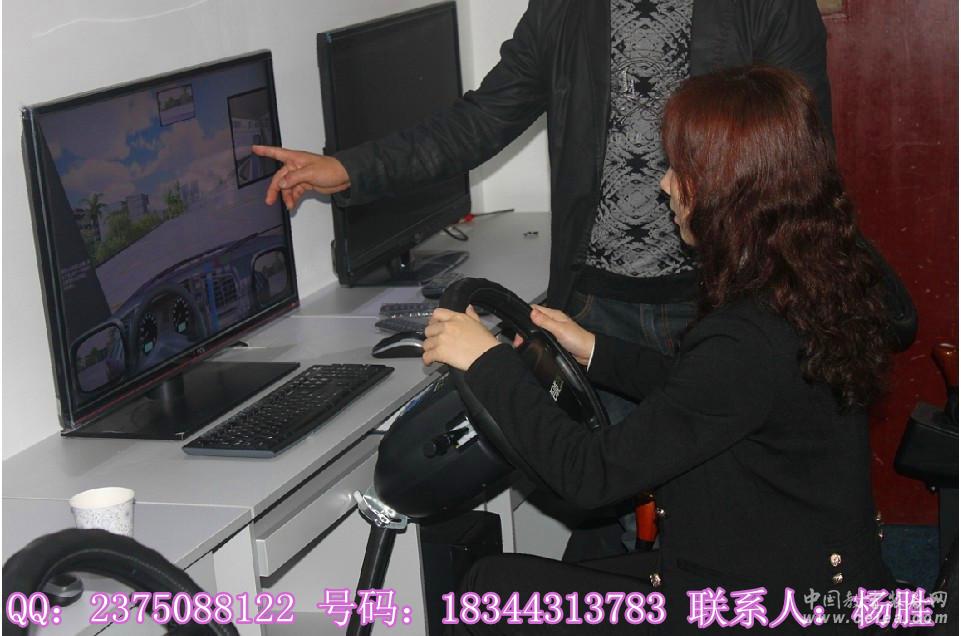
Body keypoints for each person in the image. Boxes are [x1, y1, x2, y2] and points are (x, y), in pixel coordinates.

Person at [255, 1, 845, 557]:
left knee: (714, 508)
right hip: (596, 303)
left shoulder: (767, 6)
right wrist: (351, 169)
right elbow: (484, 117)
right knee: (615, 505)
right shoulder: (566, 9)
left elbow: (794, 153)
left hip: (718, 300)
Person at [420, 66, 897, 634]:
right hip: (808, 579)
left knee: (490, 591)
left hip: (766, 606)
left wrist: (486, 361)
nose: (666, 185)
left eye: (681, 170)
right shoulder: (811, 278)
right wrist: (593, 350)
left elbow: (588, 475)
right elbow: (710, 396)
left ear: (729, 189)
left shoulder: (746, 335)